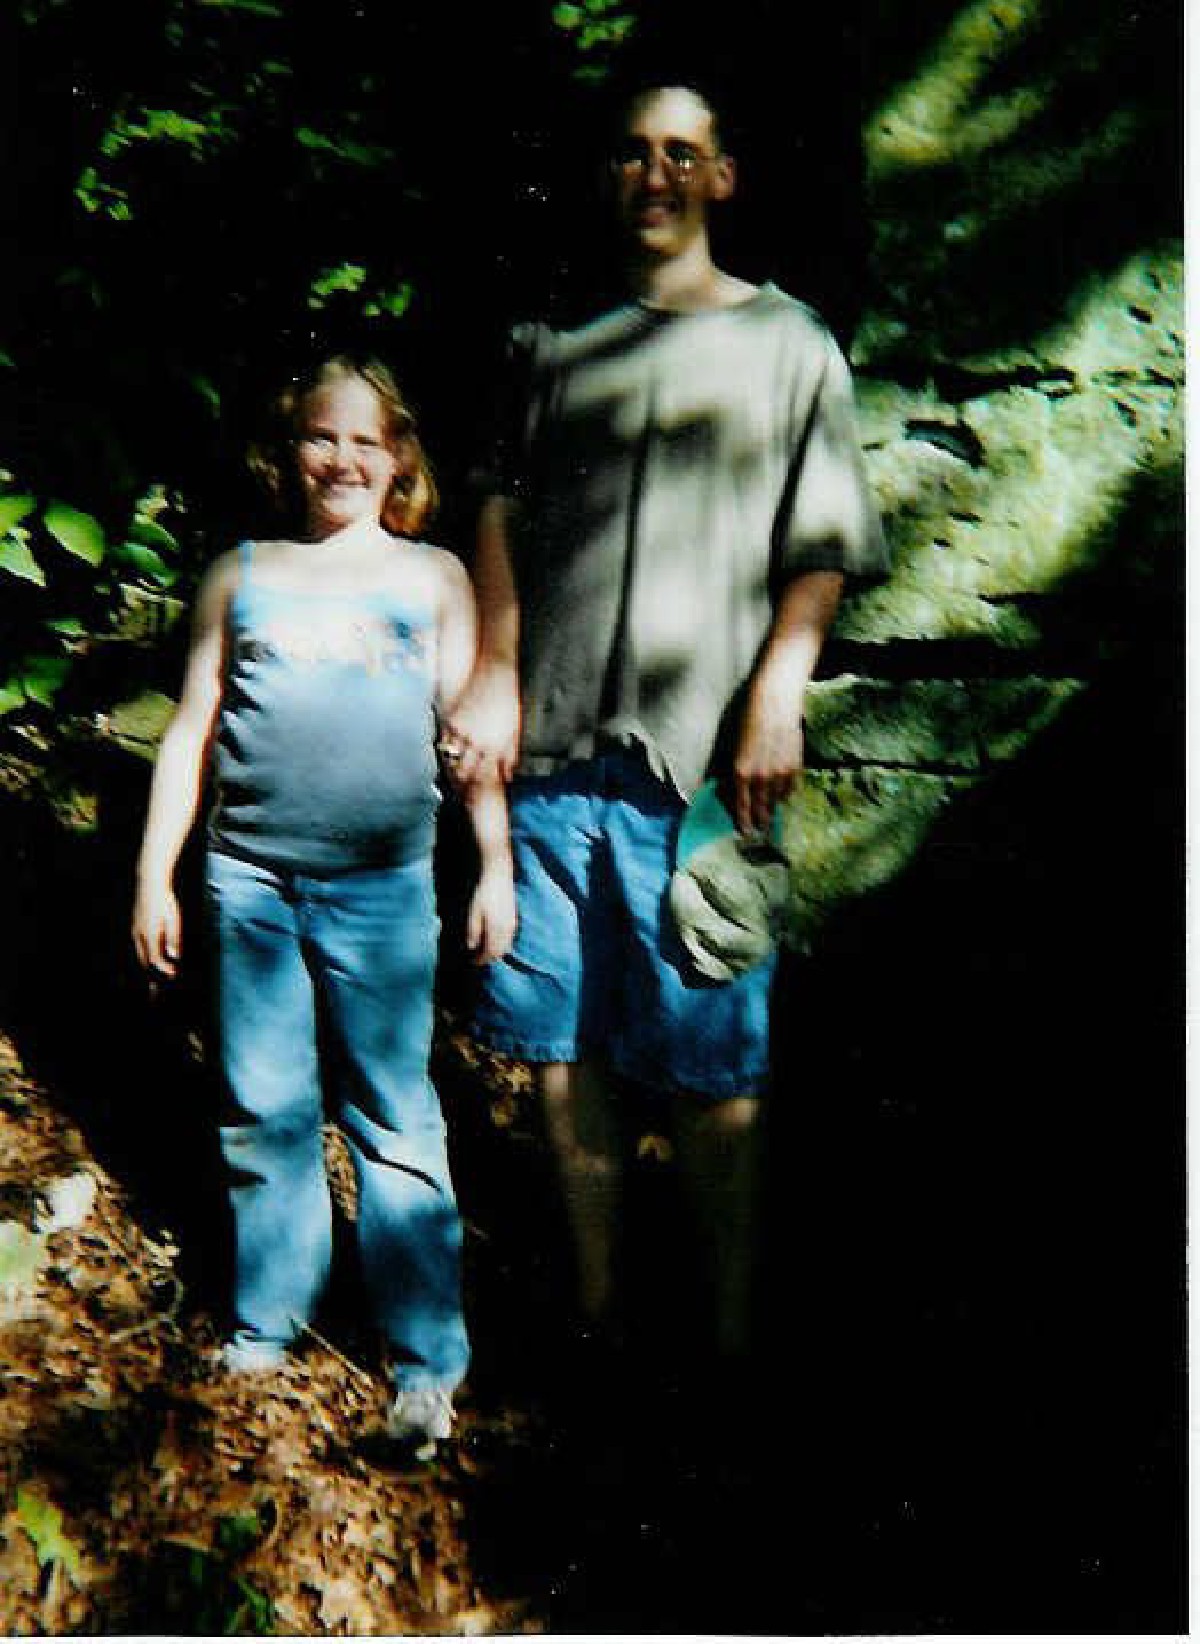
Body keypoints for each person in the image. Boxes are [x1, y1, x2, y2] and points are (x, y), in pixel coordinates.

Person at [443, 81, 889, 1380]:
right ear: (609, 177)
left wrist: (778, 692)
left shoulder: (790, 345)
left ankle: (729, 1346)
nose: (656, 174)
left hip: (704, 767)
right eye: (635, 154)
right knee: (560, 1045)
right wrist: (494, 671)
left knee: (714, 1057)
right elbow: (496, 510)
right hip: (549, 753)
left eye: (682, 153)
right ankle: (597, 1320)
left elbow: (822, 547)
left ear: (723, 178)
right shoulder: (553, 346)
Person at [131, 350, 515, 1456]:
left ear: (399, 460)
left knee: (394, 1112)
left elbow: (471, 743)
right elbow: (192, 730)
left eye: (364, 440)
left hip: (384, 890)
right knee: (264, 1105)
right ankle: (271, 1323)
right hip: (248, 882)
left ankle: (425, 1358)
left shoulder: (432, 578)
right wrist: (155, 873)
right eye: (320, 436)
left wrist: (494, 865)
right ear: (287, 451)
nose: (341, 459)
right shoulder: (240, 573)